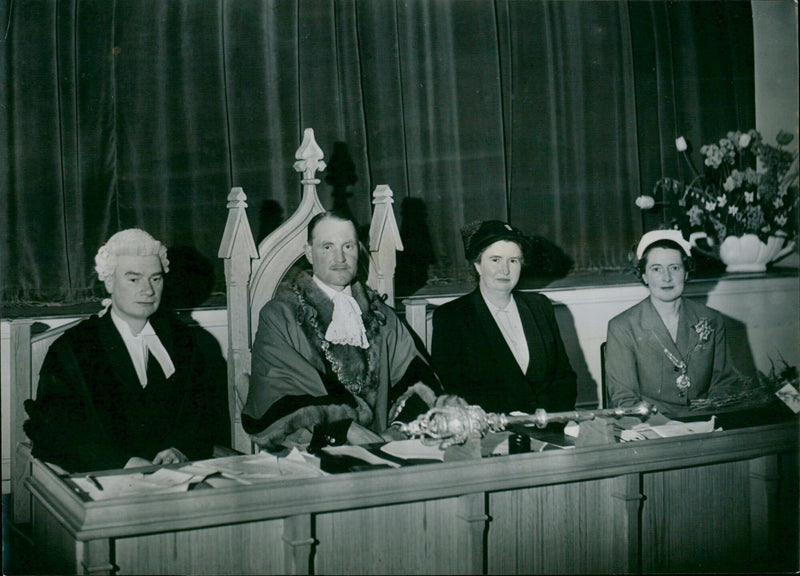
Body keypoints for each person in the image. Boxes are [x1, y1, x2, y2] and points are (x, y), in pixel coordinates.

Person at [23, 229, 230, 472]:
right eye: (134, 279)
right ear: (109, 281)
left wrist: (180, 449)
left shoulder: (184, 341)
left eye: (156, 278)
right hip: (103, 476)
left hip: (177, 476)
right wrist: (123, 463)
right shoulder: (73, 348)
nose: (148, 290)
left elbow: (202, 415)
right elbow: (54, 432)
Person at [242, 211, 442, 451]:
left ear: (358, 250)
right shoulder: (279, 315)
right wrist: (345, 429)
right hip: (311, 452)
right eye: (327, 247)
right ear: (309, 253)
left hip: (383, 446)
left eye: (347, 246)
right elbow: (275, 395)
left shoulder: (382, 315)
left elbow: (418, 378)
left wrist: (398, 430)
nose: (340, 257)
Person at [431, 220, 577, 418]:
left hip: (547, 427)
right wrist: (510, 420)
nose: (505, 270)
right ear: (478, 266)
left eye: (513, 260)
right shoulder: (451, 317)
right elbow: (456, 390)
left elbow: (564, 378)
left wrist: (547, 420)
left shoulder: (540, 306)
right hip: (492, 434)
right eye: (495, 260)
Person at [605, 229, 741, 417]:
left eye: (674, 268)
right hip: (651, 427)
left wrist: (709, 420)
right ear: (644, 275)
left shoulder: (712, 320)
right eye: (656, 269)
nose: (666, 277)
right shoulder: (622, 327)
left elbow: (725, 382)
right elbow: (626, 399)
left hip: (705, 421)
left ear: (686, 273)